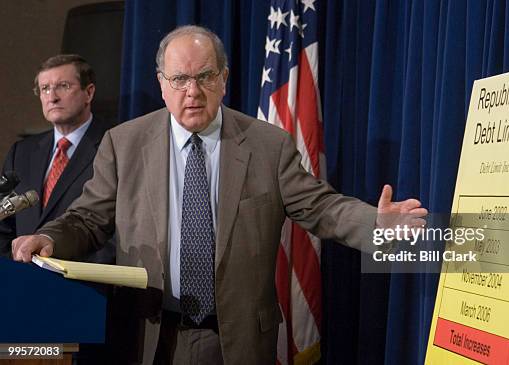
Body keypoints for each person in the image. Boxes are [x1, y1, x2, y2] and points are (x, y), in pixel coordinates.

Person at [12, 26, 427, 364]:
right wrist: (50, 238)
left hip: (237, 341)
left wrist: (377, 222)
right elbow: (87, 219)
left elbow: (322, 207)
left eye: (205, 76)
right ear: (161, 84)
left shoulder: (268, 145)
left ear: (223, 80)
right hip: (150, 335)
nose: (192, 91)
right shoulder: (125, 143)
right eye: (179, 79)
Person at [0, 54, 114, 263]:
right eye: (45, 89)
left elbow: (115, 227)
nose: (52, 97)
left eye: (63, 86)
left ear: (88, 93)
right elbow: (4, 226)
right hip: (22, 279)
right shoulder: (22, 152)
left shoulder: (113, 145)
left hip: (83, 283)